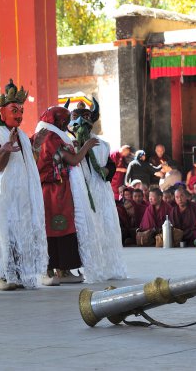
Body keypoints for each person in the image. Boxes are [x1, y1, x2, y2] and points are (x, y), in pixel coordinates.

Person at [0, 79, 48, 290]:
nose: (19, 114)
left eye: (21, 110)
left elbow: (29, 165)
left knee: (21, 231)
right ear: (1, 113)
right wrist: (5, 147)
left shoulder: (21, 135)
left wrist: (36, 145)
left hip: (22, 197)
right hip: (1, 197)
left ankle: (19, 272)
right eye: (14, 110)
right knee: (4, 232)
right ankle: (1, 275)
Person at [34, 105, 98, 284]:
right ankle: (54, 270)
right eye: (65, 121)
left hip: (53, 190)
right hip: (55, 191)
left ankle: (60, 270)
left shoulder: (49, 136)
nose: (67, 125)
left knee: (58, 229)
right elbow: (74, 160)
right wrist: (86, 146)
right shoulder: (52, 138)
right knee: (59, 228)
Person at [68, 99, 126, 281]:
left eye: (85, 119)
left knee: (106, 226)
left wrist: (106, 170)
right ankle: (88, 267)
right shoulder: (70, 144)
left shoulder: (103, 143)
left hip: (101, 190)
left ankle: (108, 267)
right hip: (82, 189)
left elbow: (110, 164)